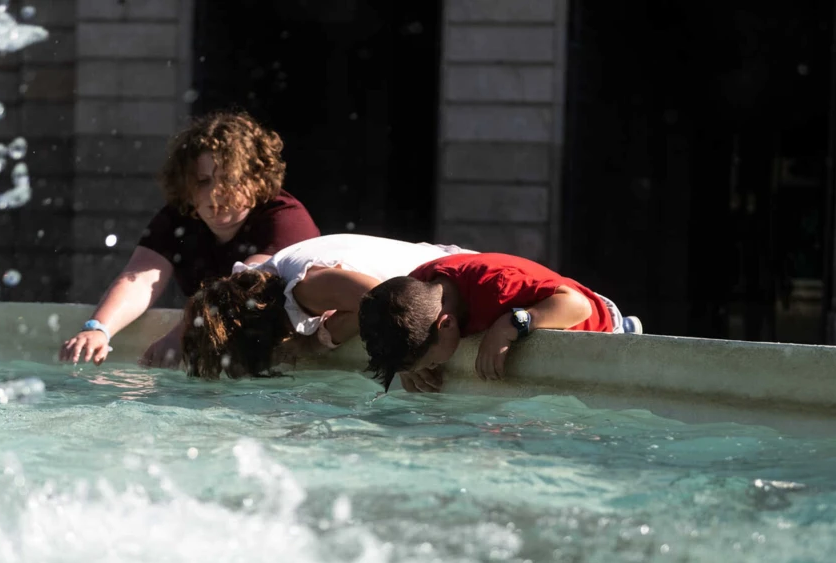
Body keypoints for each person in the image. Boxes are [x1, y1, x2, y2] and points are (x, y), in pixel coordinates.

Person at [58, 110, 320, 368]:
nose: (216, 195)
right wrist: (98, 329)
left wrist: (183, 333)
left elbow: (242, 289)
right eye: (203, 181)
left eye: (230, 179)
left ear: (257, 178)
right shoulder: (180, 216)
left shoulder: (285, 219)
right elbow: (140, 277)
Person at [182, 233, 475, 379]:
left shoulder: (307, 288)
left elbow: (390, 307)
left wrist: (407, 357)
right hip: (450, 280)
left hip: (464, 283)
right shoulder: (265, 279)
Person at [358, 252, 643, 393]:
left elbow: (578, 306)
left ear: (446, 325)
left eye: (432, 362)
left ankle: (629, 328)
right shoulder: (419, 288)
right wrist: (409, 366)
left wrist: (510, 325)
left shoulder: (499, 286)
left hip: (597, 323)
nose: (433, 367)